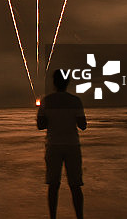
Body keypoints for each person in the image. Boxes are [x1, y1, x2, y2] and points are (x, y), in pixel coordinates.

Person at [36, 70, 86, 219]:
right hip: (72, 145)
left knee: (53, 185)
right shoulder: (75, 100)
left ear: (54, 83)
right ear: (67, 82)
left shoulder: (46, 101)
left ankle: (53, 217)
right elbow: (83, 125)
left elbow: (40, 125)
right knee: (76, 185)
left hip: (53, 145)